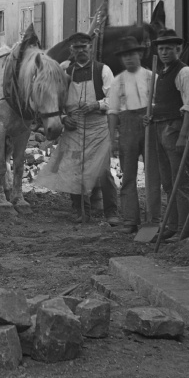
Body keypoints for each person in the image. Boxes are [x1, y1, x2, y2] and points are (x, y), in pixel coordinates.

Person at [35, 32, 115, 224]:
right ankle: (80, 210)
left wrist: (97, 105)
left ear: (91, 48)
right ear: (71, 50)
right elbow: (52, 101)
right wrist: (63, 118)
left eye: (84, 47)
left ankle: (111, 211)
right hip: (74, 127)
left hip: (97, 126)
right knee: (73, 168)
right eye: (76, 48)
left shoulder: (103, 70)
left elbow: (114, 99)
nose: (81, 51)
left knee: (102, 170)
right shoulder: (63, 71)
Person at [144, 29, 189, 238]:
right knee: (168, 182)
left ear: (178, 49)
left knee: (180, 182)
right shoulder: (163, 73)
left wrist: (184, 137)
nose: (165, 52)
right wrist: (151, 115)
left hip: (175, 130)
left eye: (169, 48)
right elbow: (164, 103)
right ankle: (173, 227)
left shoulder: (184, 73)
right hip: (159, 128)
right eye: (161, 48)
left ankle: (186, 230)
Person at [107, 36, 153, 235]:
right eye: (125, 56)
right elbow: (113, 111)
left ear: (140, 54)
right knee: (128, 176)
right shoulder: (118, 81)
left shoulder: (152, 77)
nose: (128, 59)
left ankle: (153, 220)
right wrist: (111, 139)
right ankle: (131, 219)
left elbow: (162, 103)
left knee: (152, 175)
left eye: (132, 54)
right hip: (127, 128)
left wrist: (153, 115)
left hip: (150, 126)